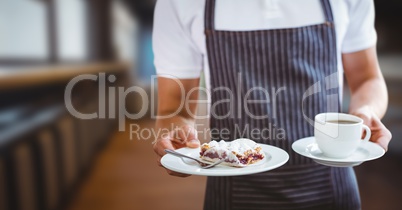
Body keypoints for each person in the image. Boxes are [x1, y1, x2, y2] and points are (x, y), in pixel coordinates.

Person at [152, 0, 392, 209]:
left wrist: (366, 112)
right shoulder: (179, 2)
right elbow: (173, 107)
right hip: (231, 190)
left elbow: (366, 78)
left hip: (331, 186)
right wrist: (178, 142)